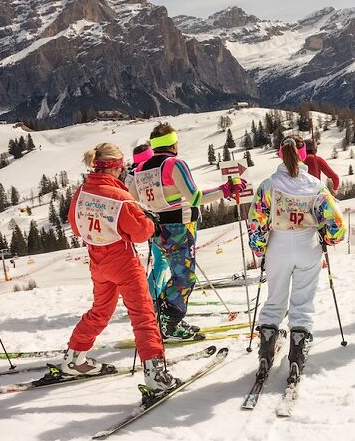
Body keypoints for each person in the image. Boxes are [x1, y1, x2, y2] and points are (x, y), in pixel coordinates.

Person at [62, 143, 178, 391]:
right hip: (122, 260)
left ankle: (74, 357)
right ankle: (155, 374)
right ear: (115, 167)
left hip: (97, 259)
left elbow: (75, 224)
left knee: (101, 310)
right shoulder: (120, 198)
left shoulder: (82, 192)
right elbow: (138, 233)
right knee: (143, 314)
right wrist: (150, 224)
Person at [127, 122, 244, 341]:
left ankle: (165, 316)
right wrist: (225, 190)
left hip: (157, 229)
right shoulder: (174, 164)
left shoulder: (141, 169)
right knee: (185, 277)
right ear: (172, 143)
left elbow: (134, 197)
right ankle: (169, 323)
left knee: (174, 272)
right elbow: (195, 198)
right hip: (180, 226)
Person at [248, 136, 346, 381]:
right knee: (303, 298)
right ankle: (298, 349)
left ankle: (267, 345)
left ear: (280, 154)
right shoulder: (315, 185)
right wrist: (329, 238)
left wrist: (259, 247)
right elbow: (335, 222)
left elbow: (257, 219)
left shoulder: (269, 185)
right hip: (307, 245)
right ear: (303, 155)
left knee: (275, 296)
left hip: (278, 245)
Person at [129, 142, 169, 300]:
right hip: (155, 221)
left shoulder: (132, 174)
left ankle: (160, 294)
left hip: (147, 223)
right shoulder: (146, 173)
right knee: (161, 261)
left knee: (161, 260)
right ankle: (152, 298)